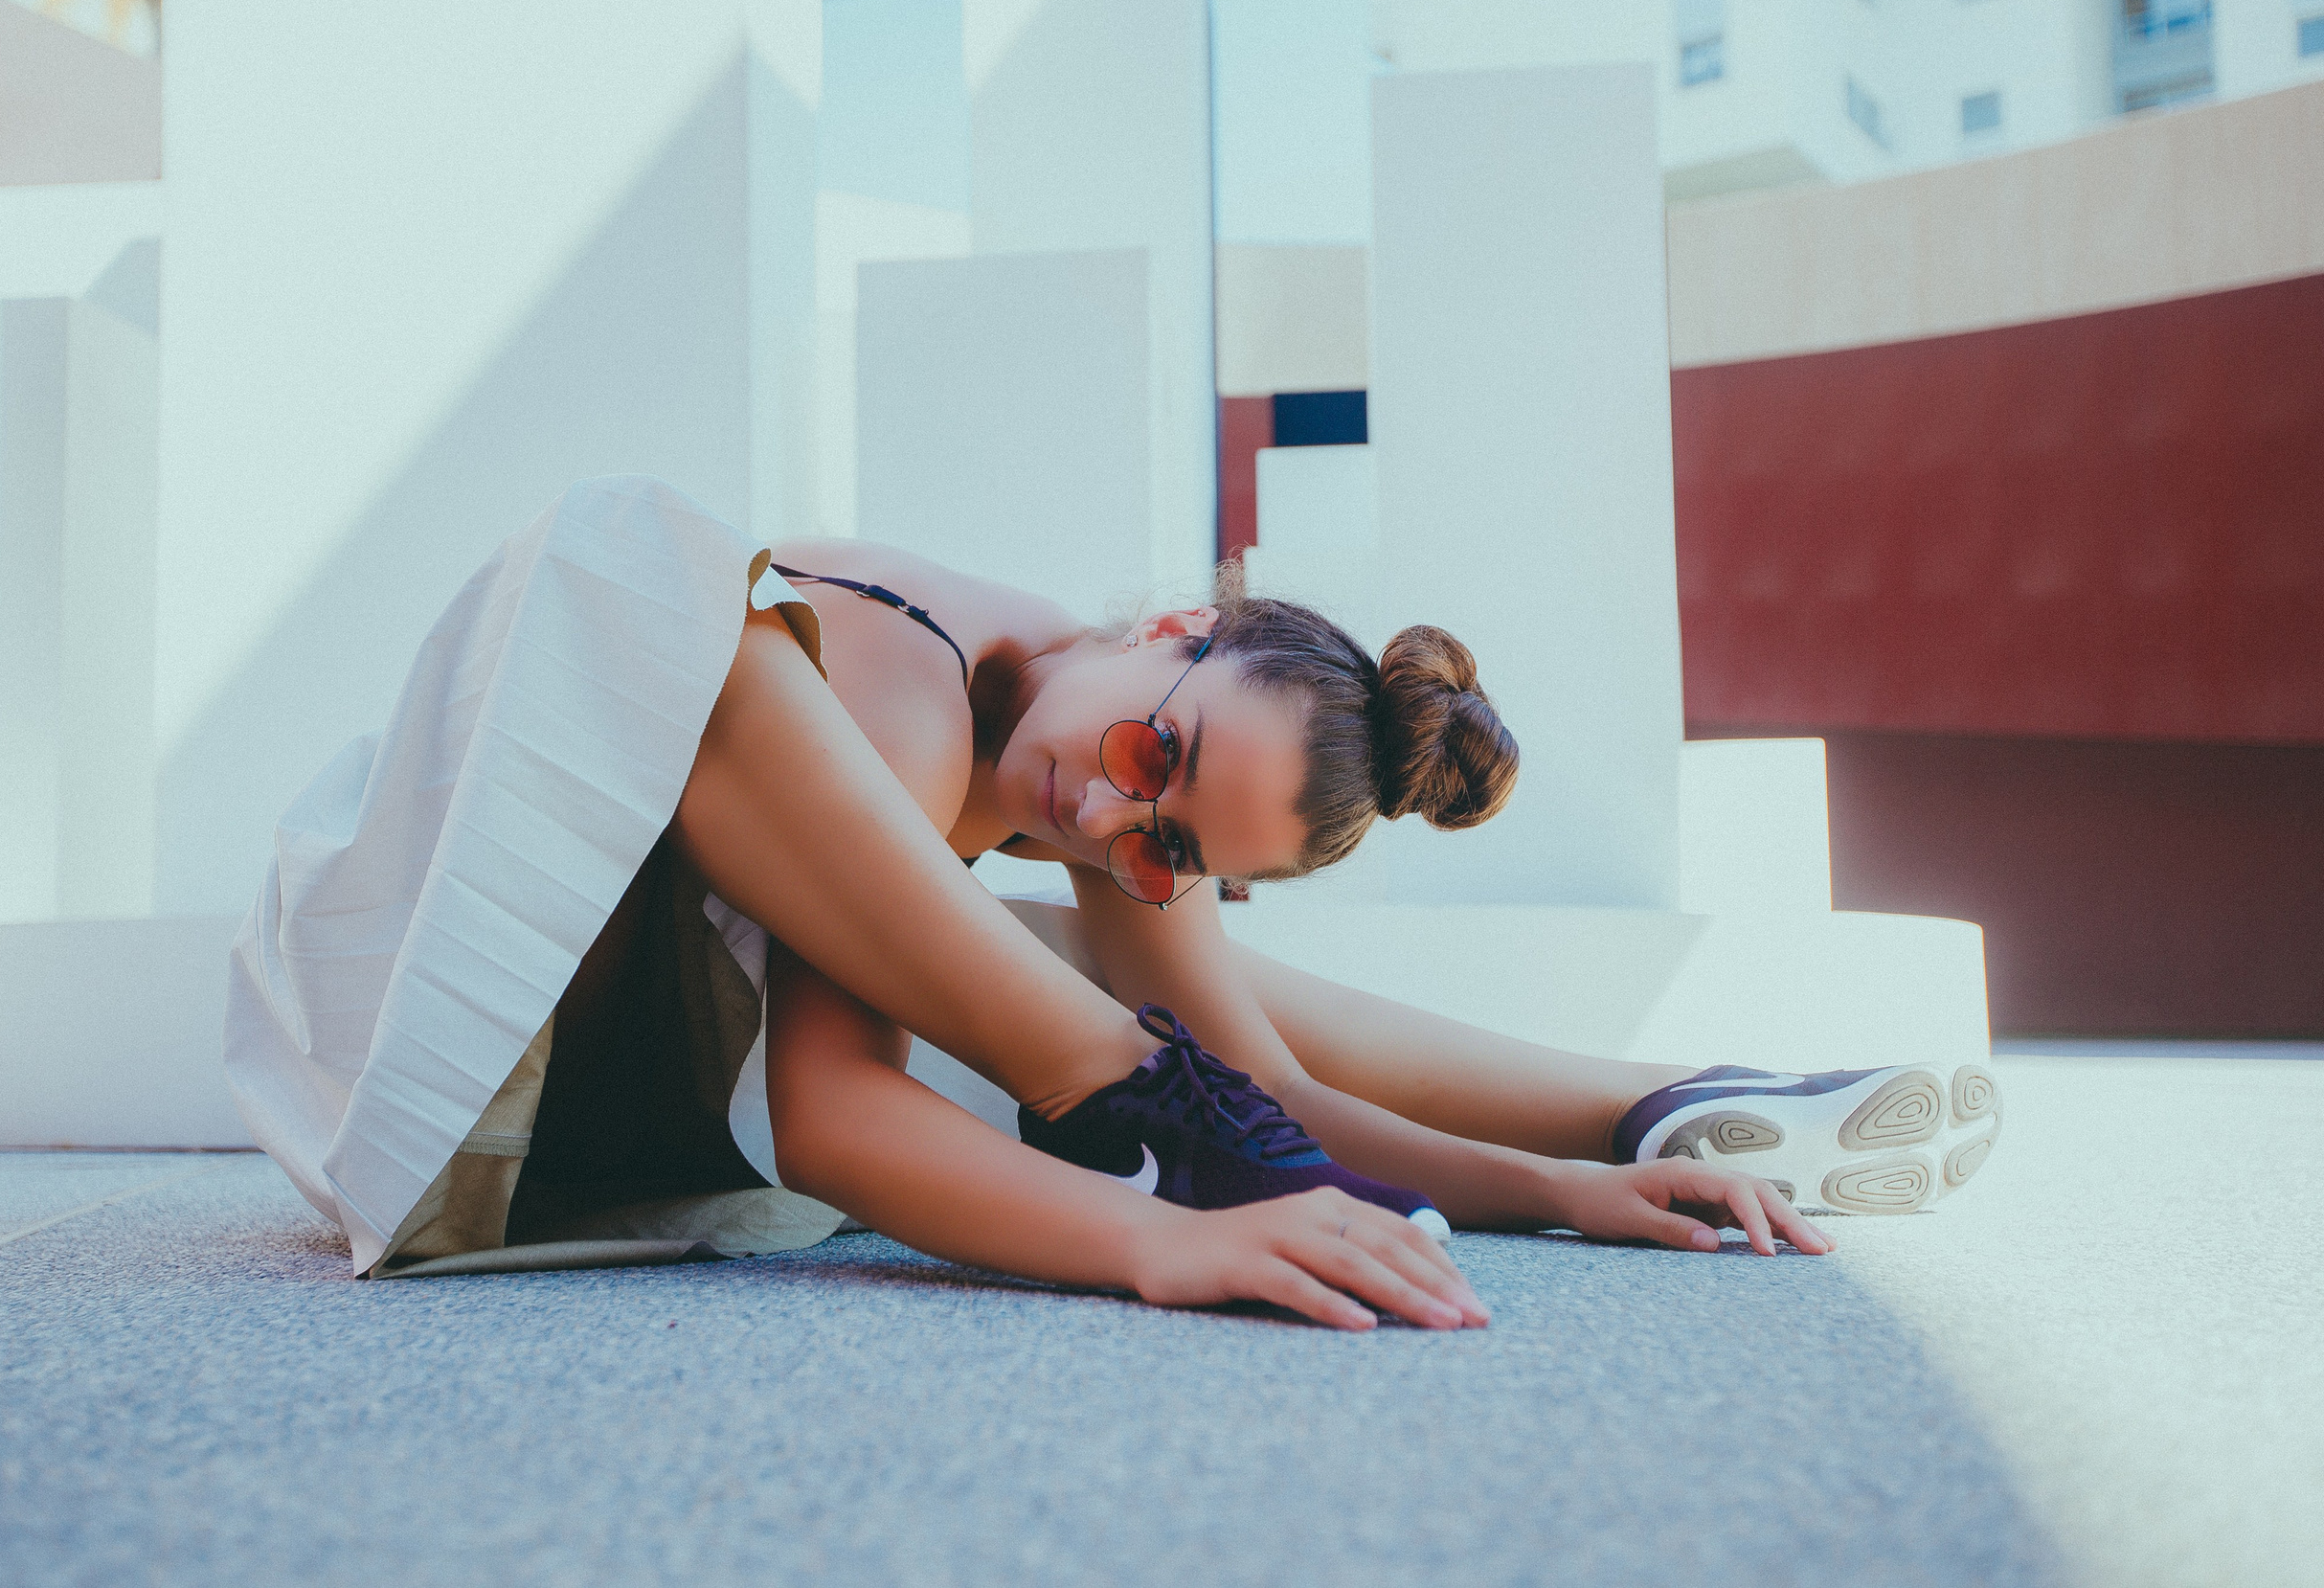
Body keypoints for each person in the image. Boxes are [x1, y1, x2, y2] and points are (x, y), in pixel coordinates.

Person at [225, 476, 2000, 1330]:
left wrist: (1571, 1192)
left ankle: (1650, 1095)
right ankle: (1116, 1091)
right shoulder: (908, 690)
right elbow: (838, 1119)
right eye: (1156, 756)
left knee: (1149, 1003)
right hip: (436, 1011)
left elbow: (1270, 1092)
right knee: (656, 564)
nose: (1109, 808)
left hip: (617, 1060)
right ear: (1169, 626)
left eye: (1178, 847)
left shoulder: (1109, 803)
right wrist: (1168, 1239)